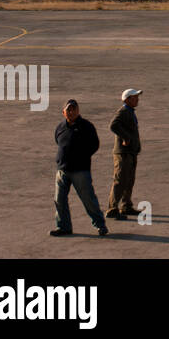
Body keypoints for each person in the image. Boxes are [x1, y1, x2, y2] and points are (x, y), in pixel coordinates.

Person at [51, 99, 108, 237]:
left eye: (74, 109)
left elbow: (95, 144)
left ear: (78, 111)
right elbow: (58, 141)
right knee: (59, 200)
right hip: (62, 170)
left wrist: (81, 156)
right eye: (68, 110)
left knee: (88, 199)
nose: (71, 112)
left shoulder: (86, 126)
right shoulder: (60, 127)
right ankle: (63, 227)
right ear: (63, 112)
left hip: (80, 170)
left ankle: (100, 225)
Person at [106, 88, 143, 220]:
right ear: (127, 99)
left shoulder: (130, 112)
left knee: (129, 180)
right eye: (135, 97)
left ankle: (126, 205)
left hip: (130, 153)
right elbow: (113, 125)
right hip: (123, 154)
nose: (137, 99)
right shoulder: (123, 111)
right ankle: (112, 208)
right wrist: (125, 138)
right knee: (120, 180)